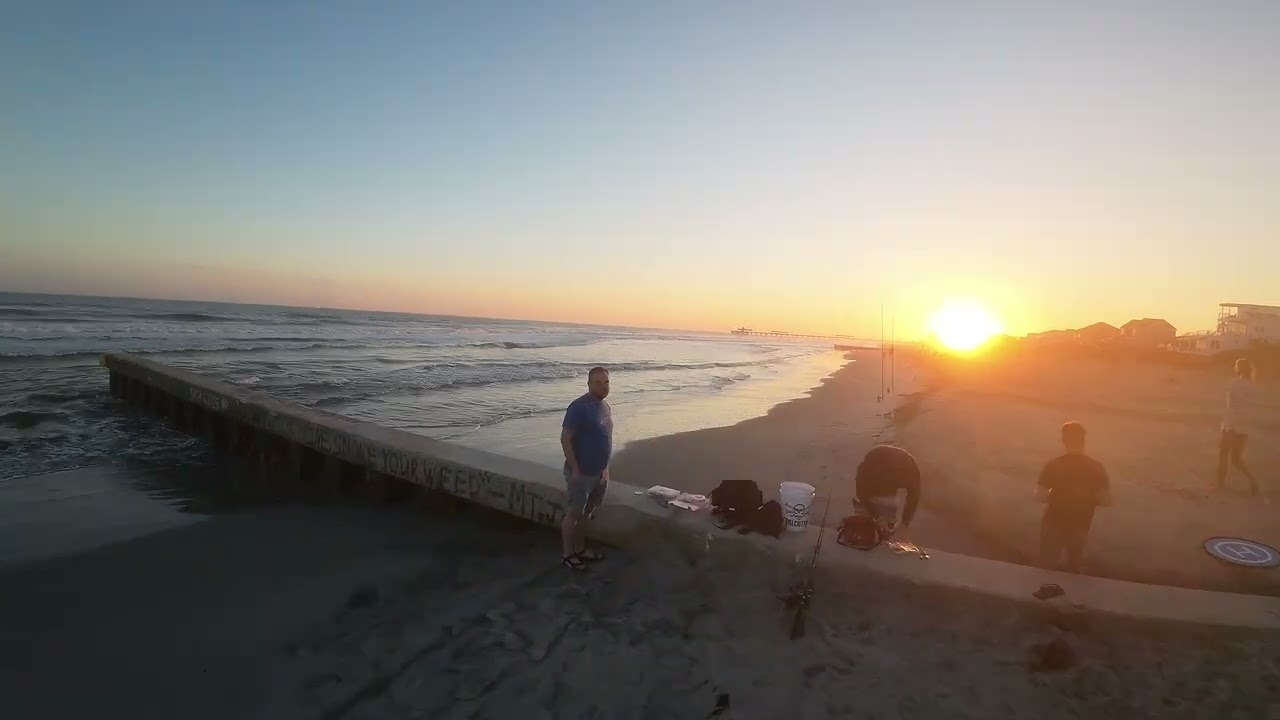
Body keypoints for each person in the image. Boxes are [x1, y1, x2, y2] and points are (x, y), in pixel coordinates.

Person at [1037, 421, 1111, 573]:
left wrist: (1058, 494)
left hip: (1053, 522)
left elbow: (1040, 497)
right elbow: (1106, 501)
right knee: (1074, 568)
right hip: (1080, 525)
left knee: (1046, 566)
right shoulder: (1096, 467)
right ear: (1083, 440)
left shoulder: (1053, 465)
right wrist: (1086, 497)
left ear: (1064, 440)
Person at [558, 366, 613, 571]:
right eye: (598, 383)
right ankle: (567, 555)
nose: (603, 386)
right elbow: (565, 439)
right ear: (589, 384)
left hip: (600, 473)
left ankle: (581, 550)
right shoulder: (578, 407)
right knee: (573, 514)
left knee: (587, 514)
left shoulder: (605, 406)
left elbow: (605, 438)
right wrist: (575, 470)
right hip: (581, 473)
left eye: (606, 382)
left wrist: (605, 468)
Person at [1216, 357, 1264, 501]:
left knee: (1223, 455)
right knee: (1236, 459)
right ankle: (1253, 481)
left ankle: (1220, 485)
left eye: (1236, 365)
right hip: (1244, 427)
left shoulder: (1234, 383)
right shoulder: (1252, 385)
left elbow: (1231, 406)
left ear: (1238, 368)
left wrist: (1226, 426)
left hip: (1232, 424)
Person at [851, 444, 921, 536]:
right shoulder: (866, 471)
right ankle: (872, 529)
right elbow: (861, 493)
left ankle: (884, 531)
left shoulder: (910, 472)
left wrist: (905, 522)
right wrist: (877, 516)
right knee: (865, 518)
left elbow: (914, 497)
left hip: (894, 470)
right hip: (877, 467)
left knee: (885, 522)